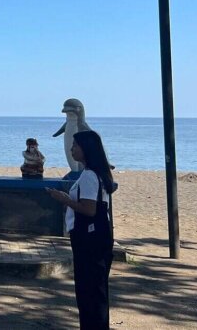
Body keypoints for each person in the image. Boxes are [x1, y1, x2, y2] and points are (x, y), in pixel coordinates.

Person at [47, 130, 115, 330]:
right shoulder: (98, 174)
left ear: (86, 149)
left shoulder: (89, 176)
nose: (71, 149)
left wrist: (65, 199)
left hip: (89, 239)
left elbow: (89, 209)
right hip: (99, 236)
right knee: (96, 289)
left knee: (89, 289)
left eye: (75, 145)